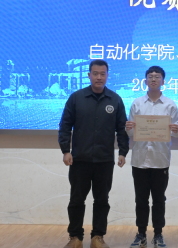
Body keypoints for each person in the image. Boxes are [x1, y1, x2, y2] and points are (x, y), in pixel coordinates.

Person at [58, 59, 129, 248]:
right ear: (89, 75)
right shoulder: (76, 98)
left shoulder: (115, 99)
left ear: (107, 75)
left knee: (102, 200)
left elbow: (122, 129)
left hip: (104, 160)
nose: (99, 77)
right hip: (79, 159)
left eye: (102, 74)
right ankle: (75, 237)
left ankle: (98, 236)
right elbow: (65, 126)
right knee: (76, 200)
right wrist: (65, 150)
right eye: (95, 73)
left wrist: (123, 152)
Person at [125, 66, 178, 248]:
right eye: (150, 76)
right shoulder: (137, 103)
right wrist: (129, 128)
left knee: (159, 200)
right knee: (140, 200)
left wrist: (175, 129)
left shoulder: (170, 105)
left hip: (160, 160)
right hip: (139, 160)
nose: (153, 79)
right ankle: (141, 234)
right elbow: (130, 132)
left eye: (157, 77)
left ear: (163, 81)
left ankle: (158, 234)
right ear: (145, 81)